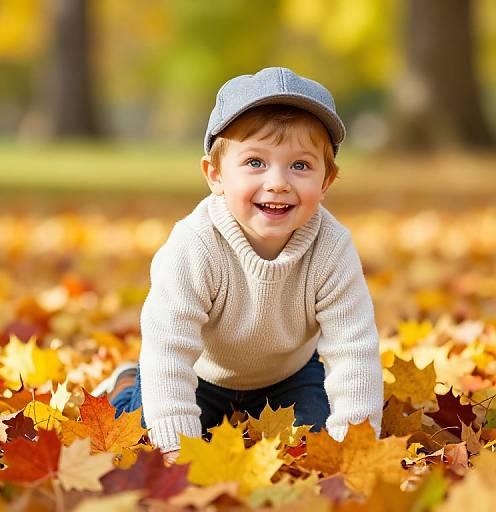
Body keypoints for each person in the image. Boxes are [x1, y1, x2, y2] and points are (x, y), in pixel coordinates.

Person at [91, 67, 384, 466]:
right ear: (215, 176)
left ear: (327, 181)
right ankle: (126, 382)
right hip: (200, 374)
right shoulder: (194, 245)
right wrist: (178, 450)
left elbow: (353, 349)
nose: (278, 182)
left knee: (312, 441)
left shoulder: (332, 248)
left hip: (290, 376)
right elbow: (168, 352)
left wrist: (353, 452)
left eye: (300, 165)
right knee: (141, 430)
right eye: (255, 162)